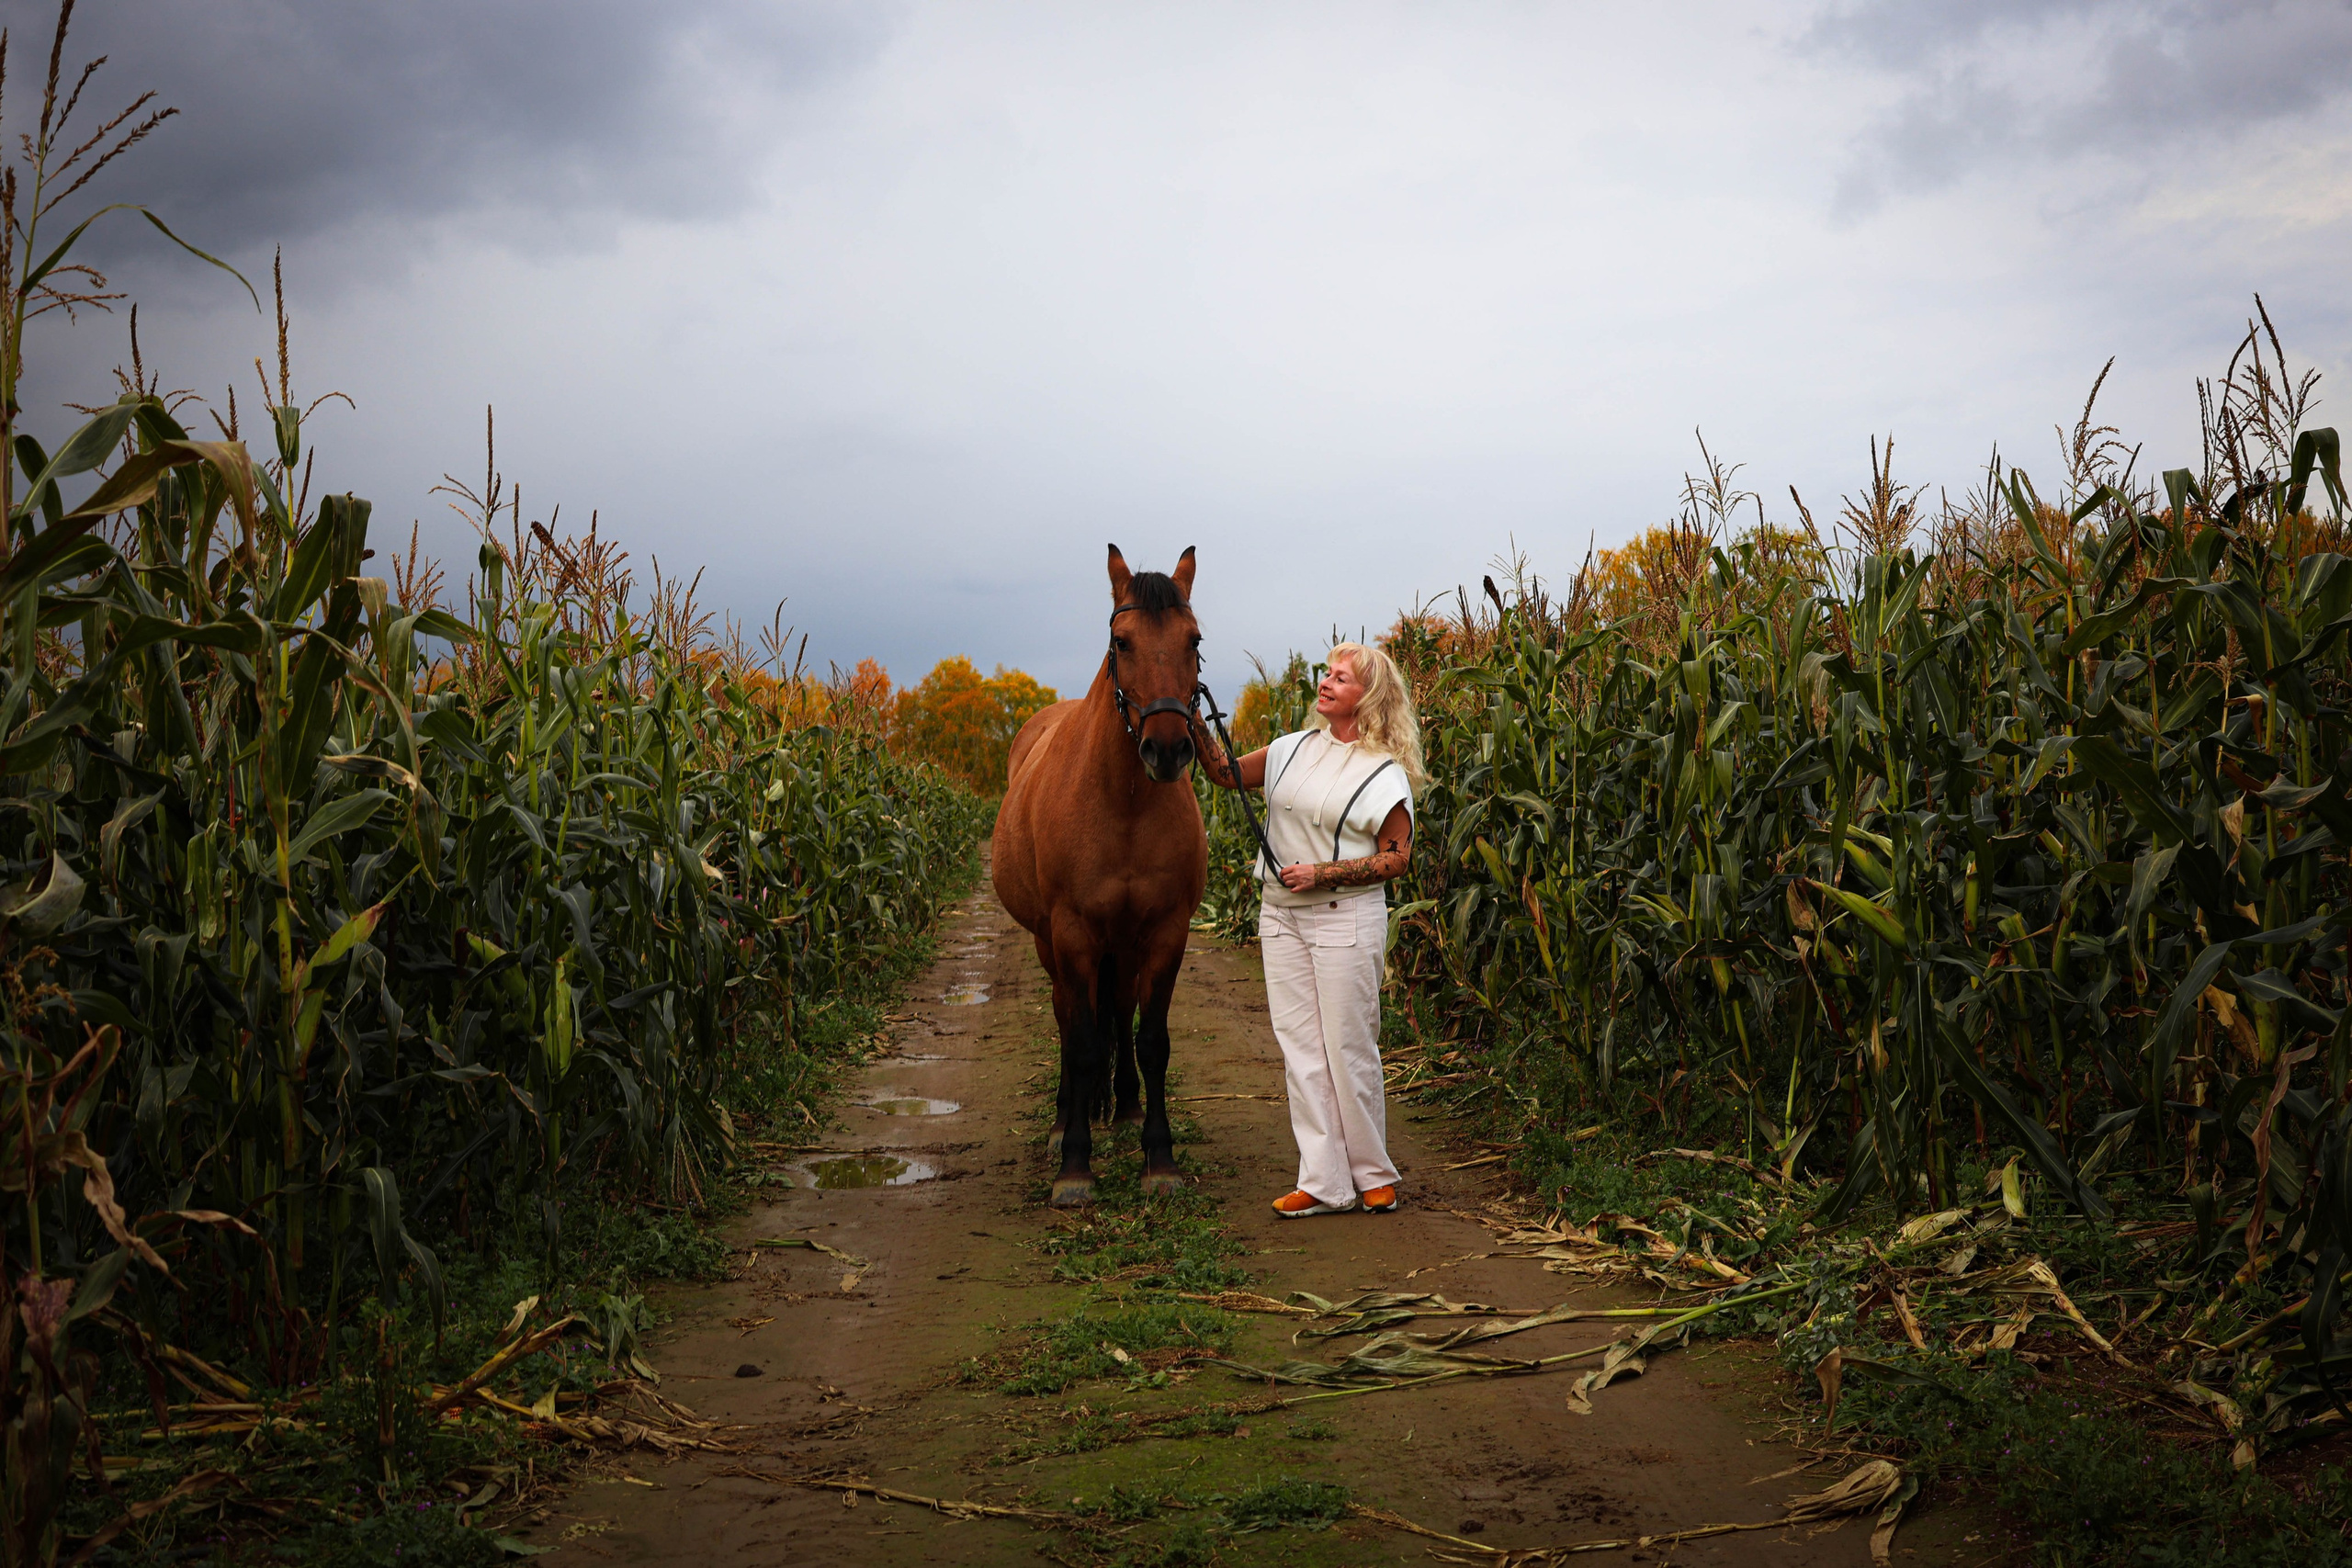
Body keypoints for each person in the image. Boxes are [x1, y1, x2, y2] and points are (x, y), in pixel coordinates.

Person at [1202, 641, 1425, 1216]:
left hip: (1343, 919)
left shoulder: (1383, 771)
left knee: (1348, 1048)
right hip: (1279, 918)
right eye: (1326, 674)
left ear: (1368, 698)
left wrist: (1326, 873)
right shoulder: (1289, 749)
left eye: (1340, 678)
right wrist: (1188, 712)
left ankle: (1373, 1173)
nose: (1324, 683)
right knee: (1302, 1052)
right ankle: (1324, 1182)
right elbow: (1224, 772)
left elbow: (1396, 857)